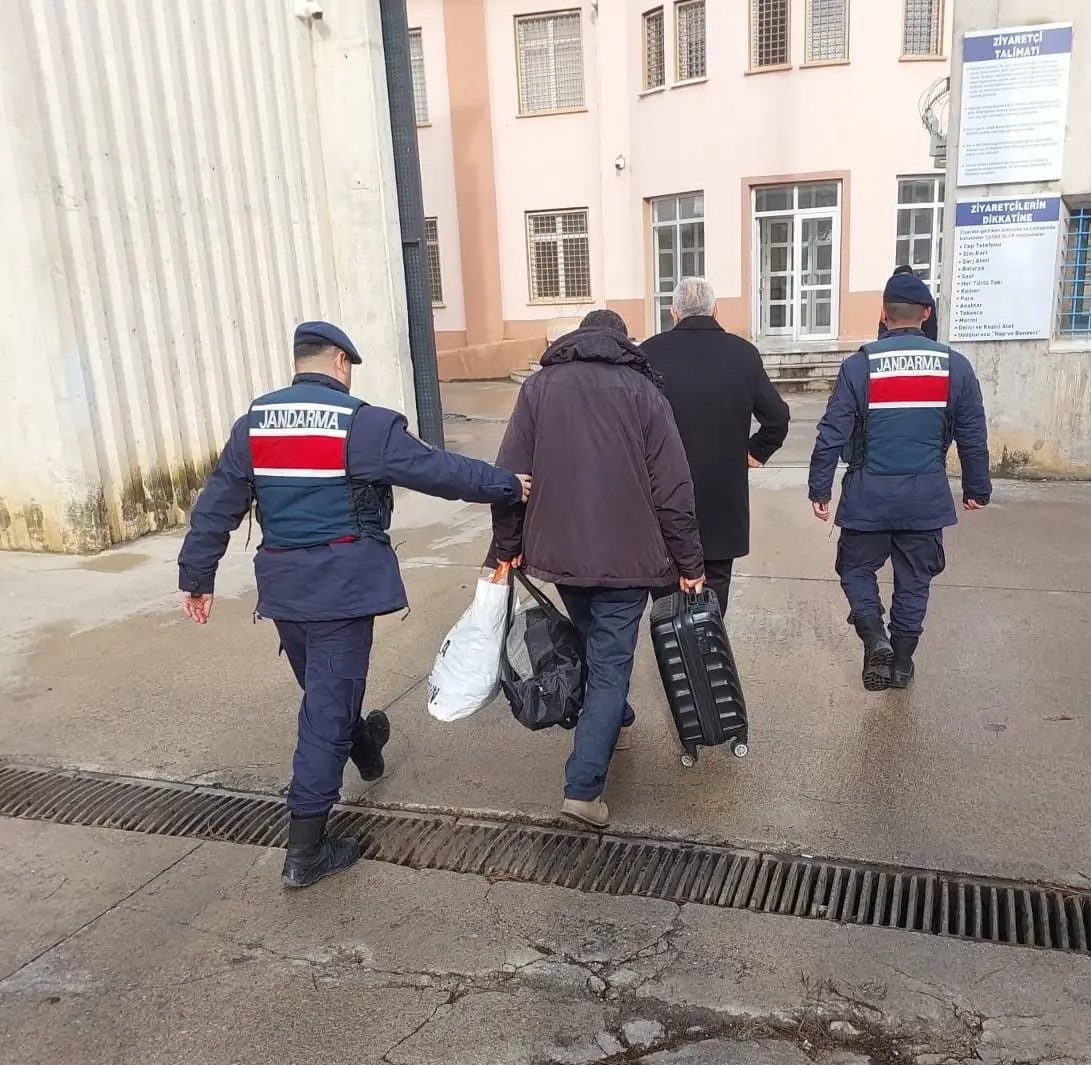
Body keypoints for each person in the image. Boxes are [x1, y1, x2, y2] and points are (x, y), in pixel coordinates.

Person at [178, 320, 529, 889]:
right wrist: (507, 483)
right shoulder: (360, 423)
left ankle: (365, 744)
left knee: (326, 691)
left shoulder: (254, 424)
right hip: (340, 591)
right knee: (324, 710)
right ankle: (306, 850)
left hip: (286, 591)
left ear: (300, 362)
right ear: (341, 362)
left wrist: (197, 575)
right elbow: (438, 471)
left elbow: (218, 503)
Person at [490, 309, 705, 831]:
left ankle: (617, 718)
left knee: (594, 644)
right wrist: (690, 562)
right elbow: (673, 487)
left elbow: (510, 476)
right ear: (623, 342)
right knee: (609, 664)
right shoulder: (644, 391)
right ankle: (582, 791)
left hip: (562, 554)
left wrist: (507, 545)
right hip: (629, 559)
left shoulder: (538, 388)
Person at [808, 272, 991, 691]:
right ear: (926, 314)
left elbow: (832, 432)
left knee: (855, 568)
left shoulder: (859, 365)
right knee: (914, 581)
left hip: (868, 498)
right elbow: (972, 435)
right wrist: (976, 488)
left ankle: (875, 637)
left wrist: (820, 488)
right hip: (925, 499)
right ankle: (902, 664)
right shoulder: (955, 366)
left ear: (883, 314)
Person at [642, 277, 790, 617]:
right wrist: (755, 451)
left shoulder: (648, 353)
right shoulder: (743, 353)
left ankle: (673, 647)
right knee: (714, 590)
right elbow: (778, 417)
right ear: (716, 310)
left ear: (674, 312)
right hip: (722, 495)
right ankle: (709, 645)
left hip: (662, 492)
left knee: (666, 596)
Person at [878, 264, 938, 342]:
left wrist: (881, 344)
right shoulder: (923, 297)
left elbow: (931, 328)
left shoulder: (890, 295)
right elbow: (932, 329)